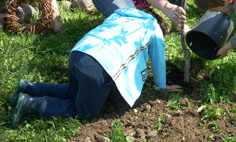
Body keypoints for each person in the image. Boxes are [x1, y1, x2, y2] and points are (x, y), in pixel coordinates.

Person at [11, 7, 182, 126]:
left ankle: (30, 87)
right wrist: (161, 86)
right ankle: (30, 103)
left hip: (79, 52)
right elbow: (158, 62)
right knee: (84, 112)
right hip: (101, 67)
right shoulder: (152, 28)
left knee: (74, 91)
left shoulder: (120, 15)